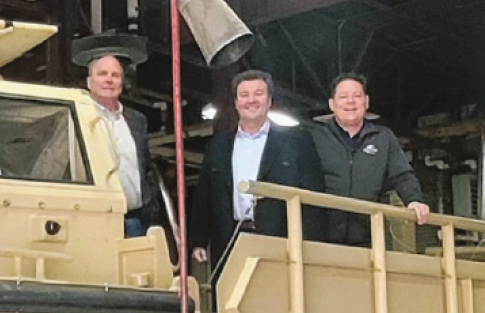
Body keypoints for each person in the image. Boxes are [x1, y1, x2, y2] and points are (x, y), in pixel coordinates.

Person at [189, 70, 326, 271]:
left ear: (269, 100)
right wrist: (198, 239)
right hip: (230, 242)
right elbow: (205, 194)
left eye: (258, 94)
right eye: (244, 95)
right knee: (229, 300)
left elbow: (313, 195)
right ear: (236, 103)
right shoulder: (218, 145)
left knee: (278, 301)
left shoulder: (297, 140)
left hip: (282, 244)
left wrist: (312, 244)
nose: (251, 100)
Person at [311, 73, 430, 246]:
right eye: (343, 97)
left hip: (369, 239)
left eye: (357, 96)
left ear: (366, 102)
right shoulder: (314, 138)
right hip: (321, 239)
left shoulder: (383, 137)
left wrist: (414, 200)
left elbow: (402, 174)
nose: (350, 101)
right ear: (332, 104)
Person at [87, 54, 163, 237]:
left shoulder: (137, 120)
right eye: (102, 74)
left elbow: (145, 167)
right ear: (89, 82)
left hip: (134, 221)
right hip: (92, 221)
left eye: (115, 75)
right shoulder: (80, 116)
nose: (109, 80)